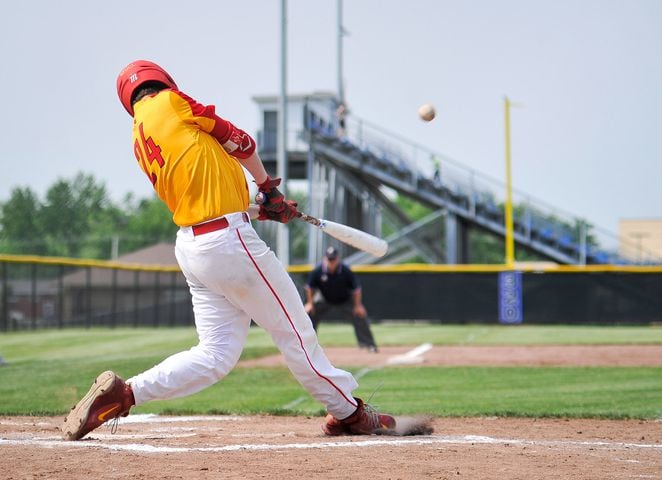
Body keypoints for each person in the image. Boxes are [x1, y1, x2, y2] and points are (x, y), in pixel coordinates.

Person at [61, 60, 395, 441]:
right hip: (227, 242)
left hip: (194, 246)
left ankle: (124, 395)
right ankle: (349, 412)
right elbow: (241, 141)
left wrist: (258, 207)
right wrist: (268, 186)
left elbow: (202, 188)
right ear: (162, 82)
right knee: (295, 333)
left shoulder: (140, 137)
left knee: (215, 356)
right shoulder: (170, 101)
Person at [305, 246, 379, 352]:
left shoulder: (345, 270)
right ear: (325, 259)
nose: (331, 262)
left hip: (345, 299)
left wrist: (358, 306)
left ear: (338, 258)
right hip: (325, 299)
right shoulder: (318, 270)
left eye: (333, 259)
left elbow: (356, 289)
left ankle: (368, 344)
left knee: (360, 315)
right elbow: (309, 288)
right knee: (309, 315)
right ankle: (308, 346)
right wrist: (310, 303)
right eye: (329, 259)